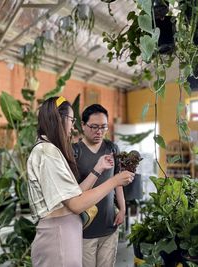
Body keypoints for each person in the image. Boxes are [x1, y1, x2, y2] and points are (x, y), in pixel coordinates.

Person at [27, 96, 134, 267]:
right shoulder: (48, 152)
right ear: (60, 119)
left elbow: (74, 192)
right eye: (71, 120)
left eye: (104, 127)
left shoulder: (50, 150)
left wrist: (98, 170)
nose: (73, 126)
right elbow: (76, 203)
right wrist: (114, 181)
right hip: (60, 235)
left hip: (69, 232)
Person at [73, 104, 126, 267]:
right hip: (84, 230)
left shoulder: (112, 148)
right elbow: (74, 193)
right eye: (94, 127)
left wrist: (123, 209)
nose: (99, 132)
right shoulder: (75, 151)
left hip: (109, 225)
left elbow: (117, 181)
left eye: (103, 127)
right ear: (83, 125)